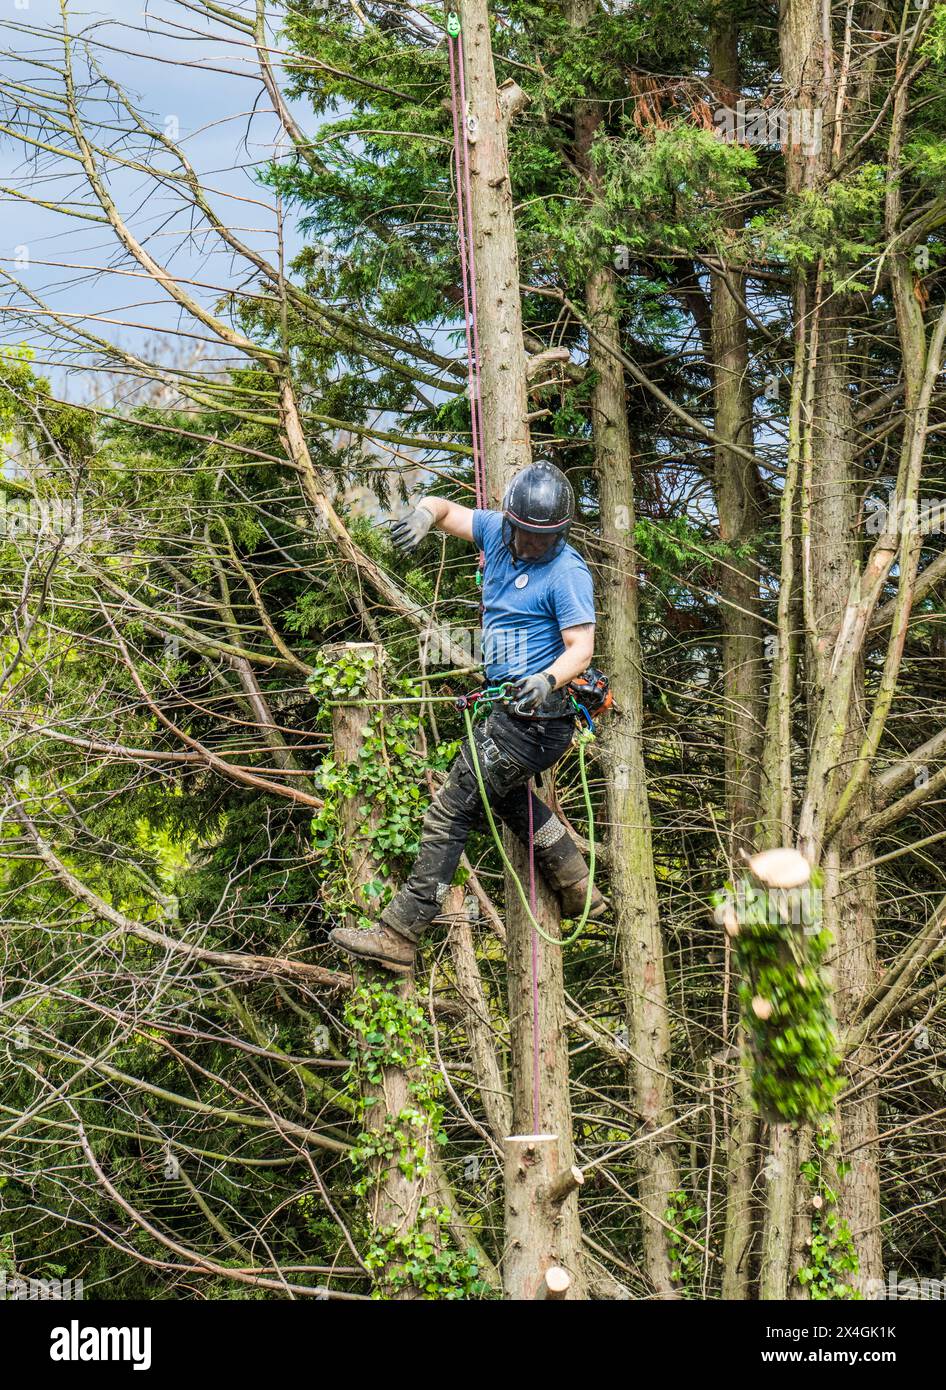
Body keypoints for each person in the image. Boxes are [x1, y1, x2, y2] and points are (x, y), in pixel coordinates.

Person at [330, 461, 606, 973]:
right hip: (507, 710)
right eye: (524, 535)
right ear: (512, 523)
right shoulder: (496, 533)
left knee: (451, 811)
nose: (530, 547)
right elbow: (446, 509)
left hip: (535, 719)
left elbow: (581, 649)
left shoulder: (567, 572)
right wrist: (421, 515)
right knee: (506, 801)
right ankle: (574, 882)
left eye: (542, 540)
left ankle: (401, 933)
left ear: (559, 534)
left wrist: (547, 679)